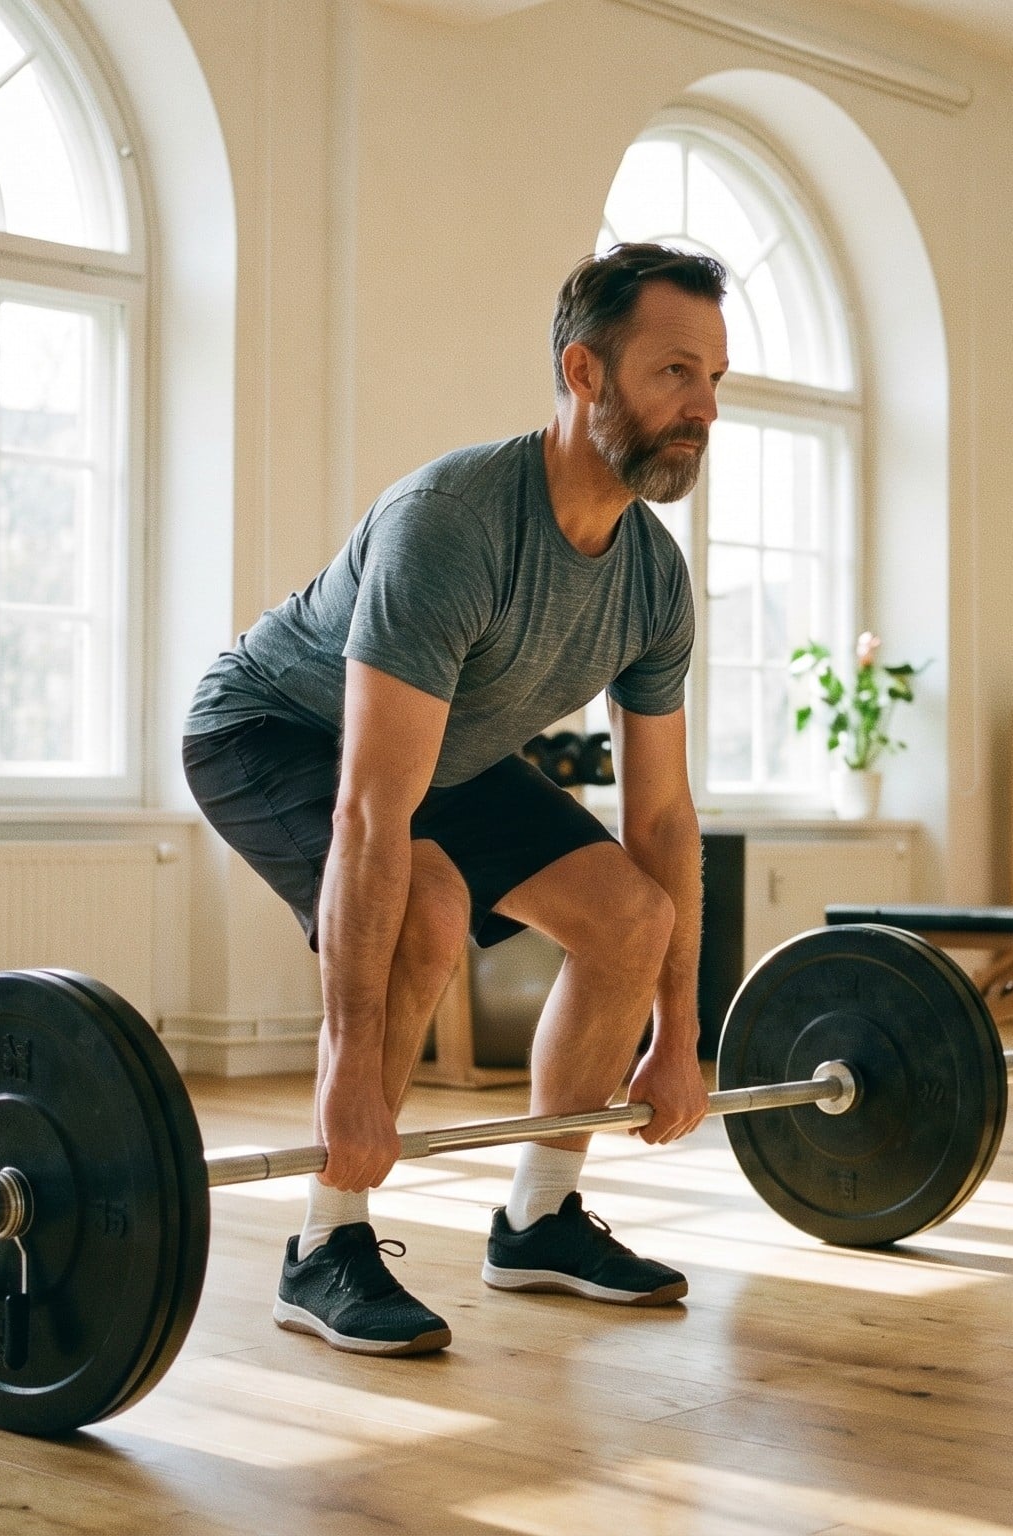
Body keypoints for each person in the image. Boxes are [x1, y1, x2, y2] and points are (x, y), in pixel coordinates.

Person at [182, 242, 723, 1356]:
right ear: (583, 374)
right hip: (272, 731)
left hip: (452, 752)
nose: (702, 408)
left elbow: (661, 818)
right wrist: (344, 1074)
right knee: (425, 904)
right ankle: (323, 1244)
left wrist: (680, 1036)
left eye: (716, 379)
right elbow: (375, 811)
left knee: (633, 915)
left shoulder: (653, 578)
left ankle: (537, 1219)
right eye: (675, 373)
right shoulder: (455, 522)